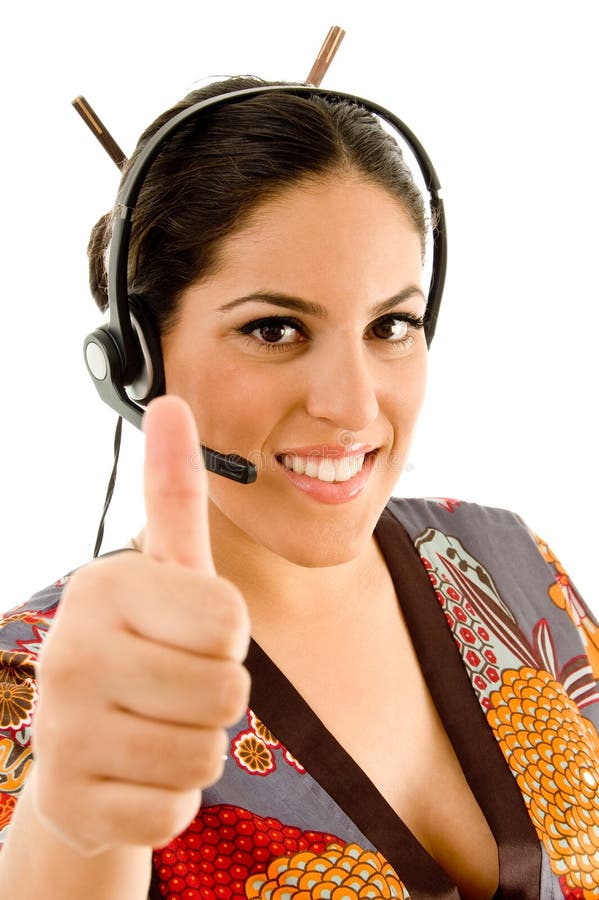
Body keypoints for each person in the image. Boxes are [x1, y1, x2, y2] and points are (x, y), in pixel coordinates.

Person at [0, 74, 598, 900]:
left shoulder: (506, 562)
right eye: (273, 329)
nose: (352, 405)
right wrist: (72, 833)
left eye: (391, 325)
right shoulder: (42, 680)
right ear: (136, 362)